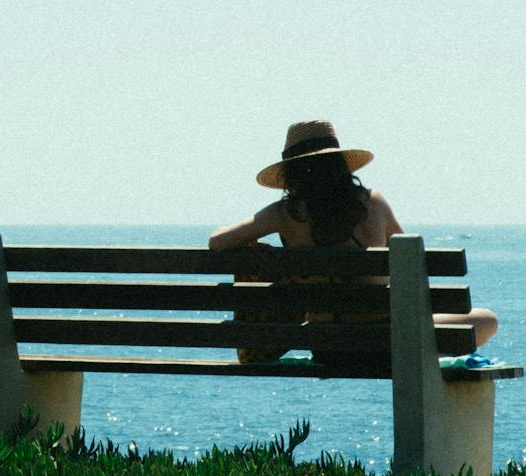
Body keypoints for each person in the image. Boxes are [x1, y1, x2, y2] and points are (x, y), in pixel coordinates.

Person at [208, 120, 499, 360]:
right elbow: (411, 267)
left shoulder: (284, 214)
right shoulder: (373, 203)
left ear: (291, 172)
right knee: (486, 320)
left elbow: (217, 241)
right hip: (389, 344)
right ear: (341, 164)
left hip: (327, 348)